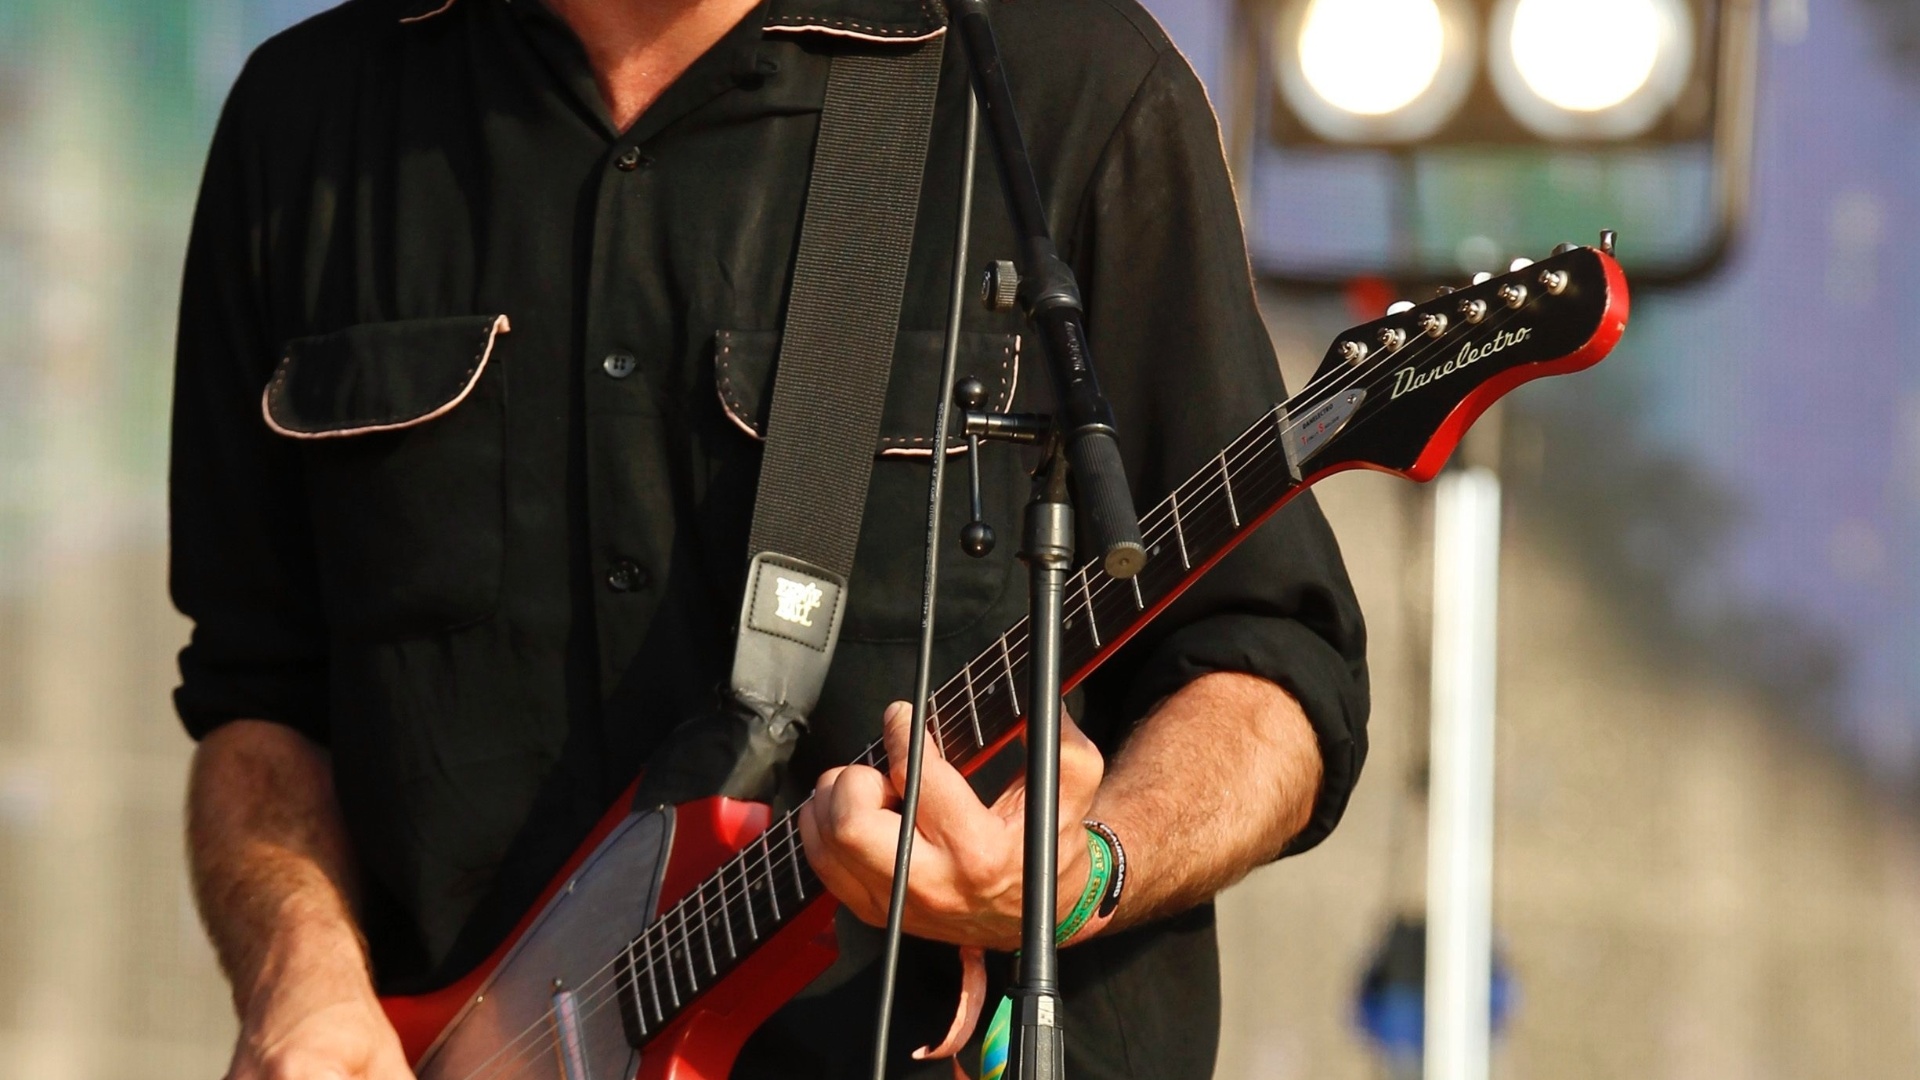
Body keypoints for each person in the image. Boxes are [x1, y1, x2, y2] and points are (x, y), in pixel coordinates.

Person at [169, 0, 1370, 1075]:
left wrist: (1086, 868)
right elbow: (259, 705)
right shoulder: (309, 121)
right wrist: (301, 978)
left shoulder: (1067, 90)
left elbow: (1267, 665)